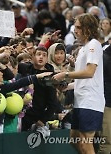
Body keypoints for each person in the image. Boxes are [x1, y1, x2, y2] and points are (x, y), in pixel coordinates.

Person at [53, 13, 105, 154]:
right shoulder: (83, 48)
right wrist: (67, 86)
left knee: (85, 144)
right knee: (74, 139)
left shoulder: (94, 45)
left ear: (88, 28)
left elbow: (89, 72)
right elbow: (84, 80)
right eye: (75, 27)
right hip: (81, 101)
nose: (75, 30)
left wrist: (65, 74)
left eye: (78, 27)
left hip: (90, 102)